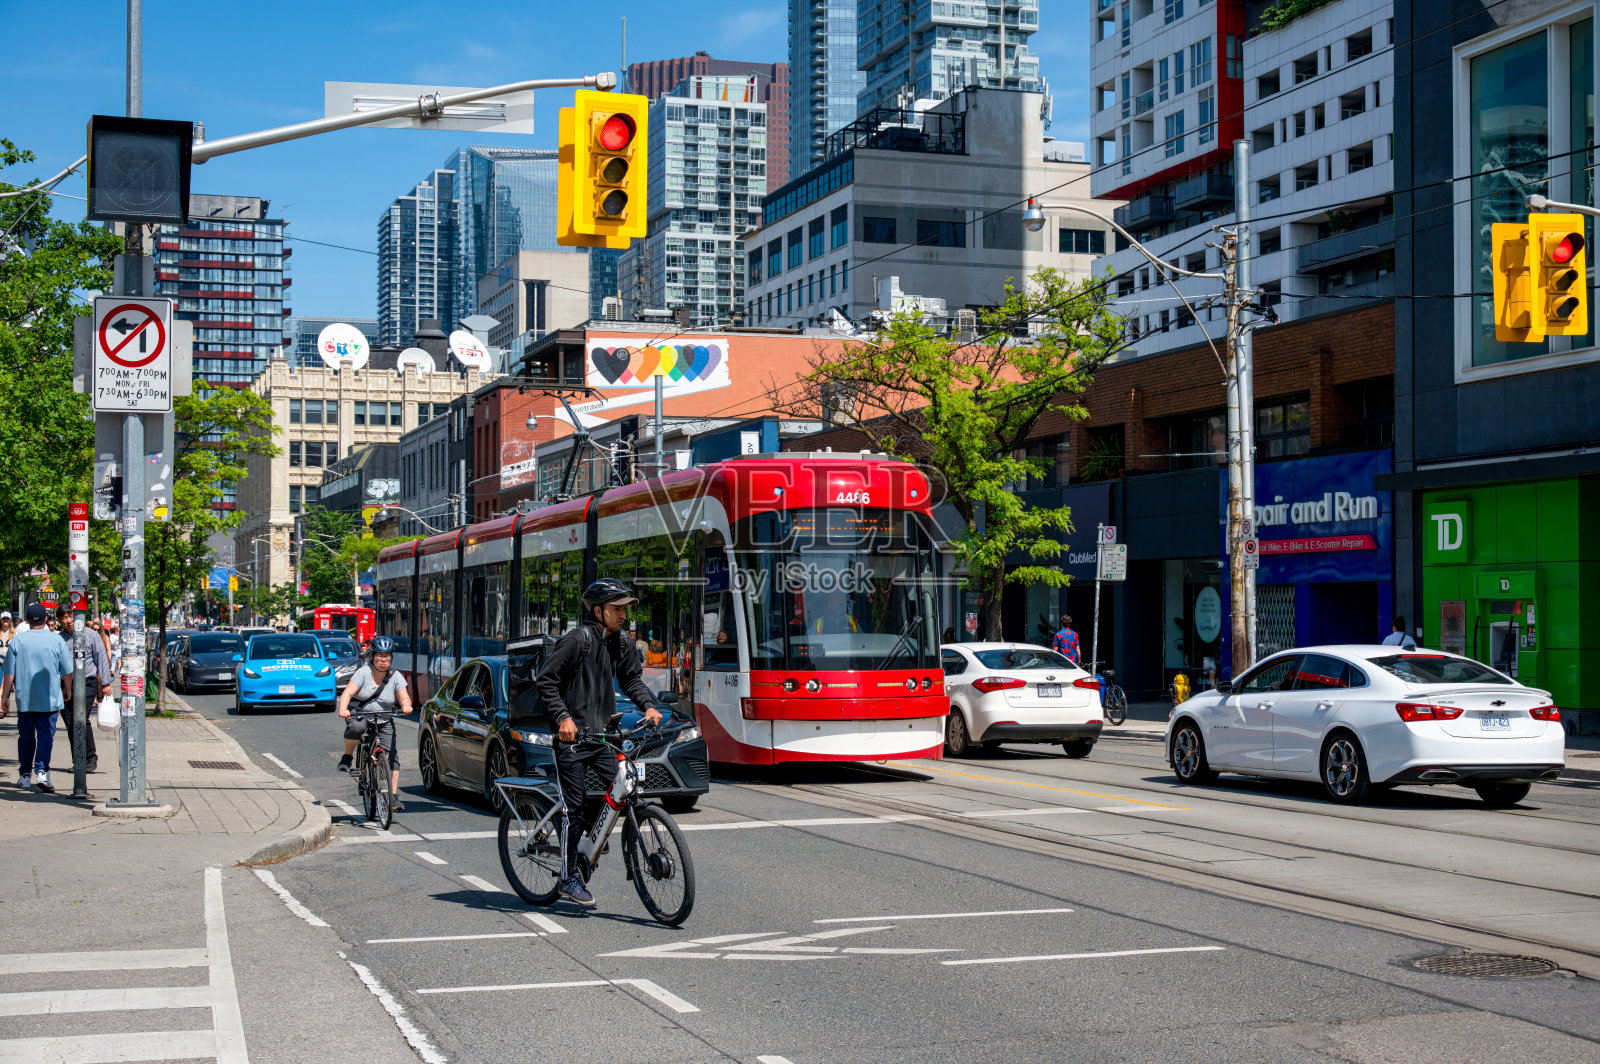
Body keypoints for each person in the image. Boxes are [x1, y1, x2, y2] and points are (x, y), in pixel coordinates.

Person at [535, 579, 663, 907]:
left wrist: (648, 705)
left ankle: (591, 837)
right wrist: (563, 718)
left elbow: (632, 679)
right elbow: (546, 679)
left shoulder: (621, 643)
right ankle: (567, 878)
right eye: (617, 609)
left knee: (625, 785)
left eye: (625, 609)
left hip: (604, 735)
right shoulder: (577, 640)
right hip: (573, 740)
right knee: (574, 809)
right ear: (598, 610)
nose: (624, 615)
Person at [0, 603, 74, 792]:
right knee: (45, 736)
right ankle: (42, 771)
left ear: (26, 621)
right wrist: (67, 688)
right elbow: (67, 670)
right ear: (46, 620)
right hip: (49, 699)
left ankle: (25, 775)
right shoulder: (56, 640)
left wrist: (5, 697)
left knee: (25, 737)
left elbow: (9, 673)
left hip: (25, 699)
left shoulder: (17, 641)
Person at [336, 636, 413, 812]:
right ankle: (347, 756)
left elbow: (404, 696)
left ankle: (392, 796)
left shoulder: (395, 676)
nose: (383, 660)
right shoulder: (363, 673)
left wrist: (406, 706)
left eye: (387, 656)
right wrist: (343, 709)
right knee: (357, 728)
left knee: (392, 756)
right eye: (379, 656)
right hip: (361, 714)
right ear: (372, 657)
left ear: (391, 658)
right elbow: (347, 693)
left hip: (384, 717)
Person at [57, 607, 112, 773]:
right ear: (60, 620)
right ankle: (78, 759)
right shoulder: (59, 639)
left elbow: (101, 657)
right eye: (64, 617)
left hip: (87, 682)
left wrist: (106, 683)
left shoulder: (91, 635)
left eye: (71, 616)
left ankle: (90, 757)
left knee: (80, 719)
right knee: (69, 722)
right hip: (65, 684)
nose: (68, 620)